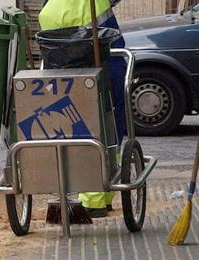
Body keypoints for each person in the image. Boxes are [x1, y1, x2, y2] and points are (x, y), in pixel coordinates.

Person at [39, 0, 126, 218]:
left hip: (65, 80)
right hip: (105, 69)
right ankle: (98, 198)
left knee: (76, 129)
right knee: (107, 129)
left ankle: (90, 193)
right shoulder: (92, 4)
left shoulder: (47, 11)